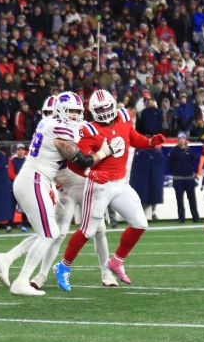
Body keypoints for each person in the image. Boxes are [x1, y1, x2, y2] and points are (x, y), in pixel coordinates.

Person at [0, 94, 112, 295]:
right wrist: (103, 153)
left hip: (36, 179)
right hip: (35, 179)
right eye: (71, 111)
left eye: (78, 111)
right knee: (50, 233)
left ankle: (7, 258)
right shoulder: (60, 128)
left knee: (49, 231)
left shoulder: (48, 122)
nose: (76, 115)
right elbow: (81, 160)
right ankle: (22, 281)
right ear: (61, 110)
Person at [54, 89, 166, 292]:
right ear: (93, 111)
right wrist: (91, 174)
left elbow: (132, 137)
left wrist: (149, 143)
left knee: (140, 223)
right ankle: (63, 266)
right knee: (87, 230)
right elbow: (74, 163)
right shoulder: (89, 130)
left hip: (120, 183)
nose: (105, 111)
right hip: (99, 186)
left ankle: (116, 261)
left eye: (107, 107)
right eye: (100, 109)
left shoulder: (124, 116)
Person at [167, 133, 201, 223]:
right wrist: (175, 172)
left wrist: (194, 172)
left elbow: (195, 163)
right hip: (178, 179)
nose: (181, 140)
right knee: (179, 200)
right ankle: (181, 219)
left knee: (192, 200)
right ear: (178, 140)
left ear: (185, 139)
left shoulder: (191, 151)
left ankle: (196, 218)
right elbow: (169, 164)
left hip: (189, 178)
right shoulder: (173, 151)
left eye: (183, 138)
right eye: (180, 139)